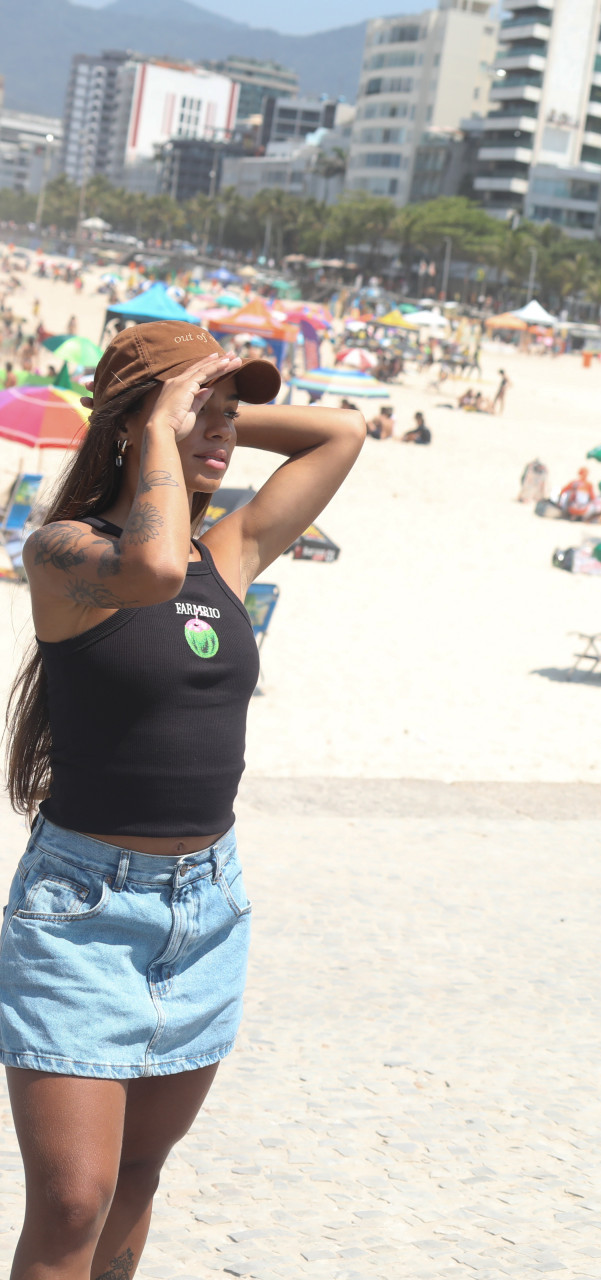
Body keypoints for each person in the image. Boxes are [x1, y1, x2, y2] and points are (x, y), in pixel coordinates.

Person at [2, 321, 363, 1278]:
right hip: (82, 914)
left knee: (137, 1176)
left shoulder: (229, 554)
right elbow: (151, 571)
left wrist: (214, 406)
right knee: (72, 1202)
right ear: (137, 424)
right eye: (200, 412)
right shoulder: (64, 551)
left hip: (206, 908)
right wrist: (159, 420)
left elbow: (343, 432)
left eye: (229, 415)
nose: (222, 431)